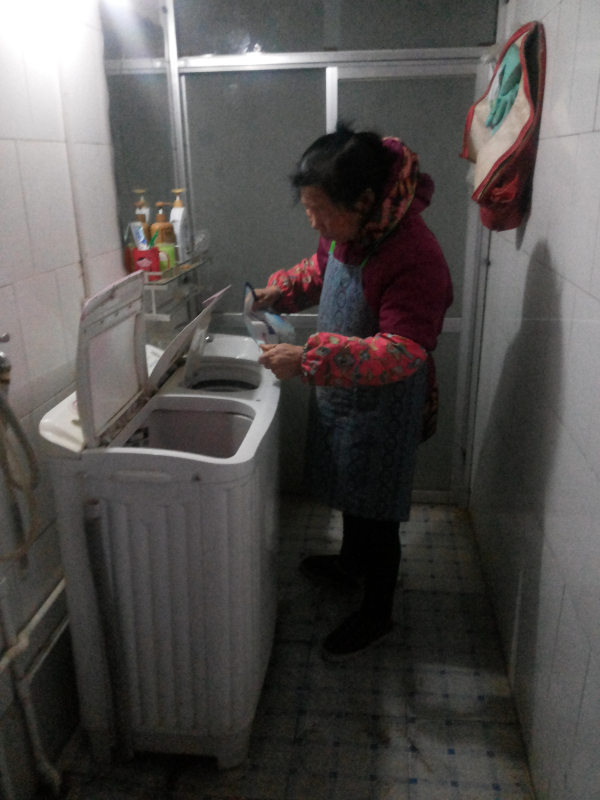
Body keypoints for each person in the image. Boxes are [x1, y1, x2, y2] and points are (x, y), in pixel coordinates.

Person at [255, 123, 453, 660]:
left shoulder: (415, 254)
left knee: (378, 511)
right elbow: (321, 268)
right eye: (308, 210)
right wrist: (283, 291)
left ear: (364, 201)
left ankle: (376, 612)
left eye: (321, 211)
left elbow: (403, 350)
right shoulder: (349, 231)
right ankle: (349, 564)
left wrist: (309, 359)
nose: (314, 223)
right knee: (351, 489)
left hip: (388, 403)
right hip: (344, 391)